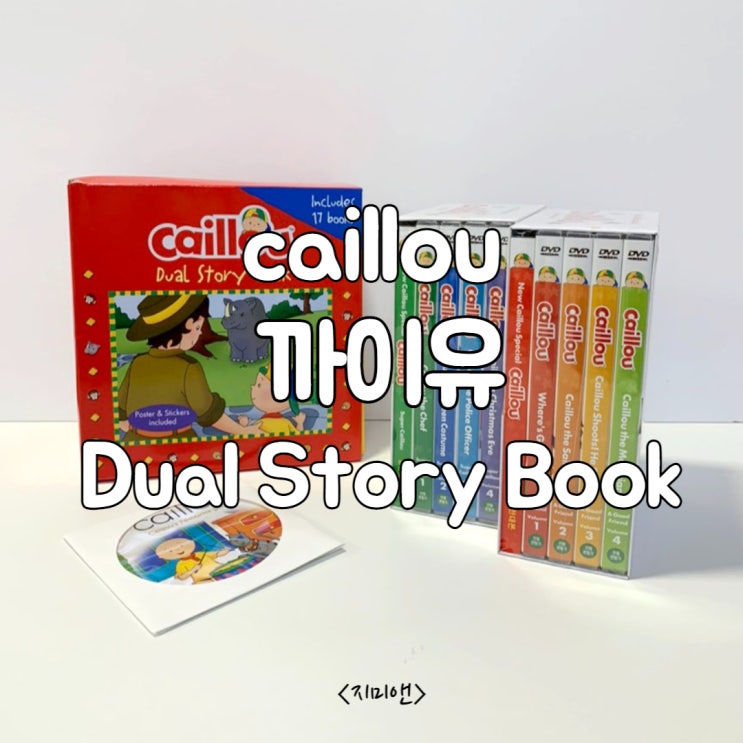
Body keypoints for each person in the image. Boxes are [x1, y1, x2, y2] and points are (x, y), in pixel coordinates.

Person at [118, 294, 248, 441]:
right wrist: (244, 430)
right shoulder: (189, 367)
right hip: (178, 442)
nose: (200, 333)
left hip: (133, 441)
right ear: (188, 324)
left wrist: (139, 429)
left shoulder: (137, 363)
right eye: (198, 327)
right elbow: (209, 414)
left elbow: (121, 410)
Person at [238, 364, 306, 436]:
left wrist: (300, 423)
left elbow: (298, 436)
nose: (252, 387)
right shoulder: (260, 423)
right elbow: (248, 435)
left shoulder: (285, 423)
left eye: (259, 385)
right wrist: (243, 425)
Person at [154, 537, 231, 584]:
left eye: (181, 546)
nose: (178, 550)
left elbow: (218, 554)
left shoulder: (199, 554)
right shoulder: (181, 564)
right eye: (171, 551)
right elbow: (182, 577)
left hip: (221, 571)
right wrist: (193, 570)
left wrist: (226, 550)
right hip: (205, 579)